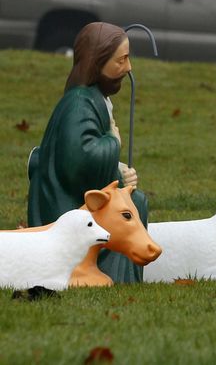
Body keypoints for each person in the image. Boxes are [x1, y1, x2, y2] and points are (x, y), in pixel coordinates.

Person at [27, 22, 147, 283]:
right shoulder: (80, 104)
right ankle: (114, 275)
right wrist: (113, 142)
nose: (128, 68)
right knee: (134, 205)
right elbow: (78, 162)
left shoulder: (93, 97)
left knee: (134, 200)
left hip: (77, 192)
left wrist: (118, 171)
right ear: (97, 62)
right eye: (121, 60)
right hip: (64, 206)